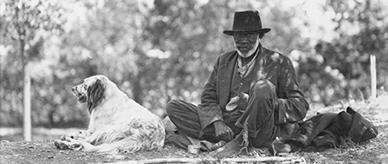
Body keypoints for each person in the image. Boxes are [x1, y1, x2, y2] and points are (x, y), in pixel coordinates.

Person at [165, 10, 309, 153]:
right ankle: (230, 140)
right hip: (225, 128)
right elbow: (208, 97)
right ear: (233, 37)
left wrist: (264, 102)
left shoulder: (279, 62)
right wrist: (217, 122)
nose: (243, 41)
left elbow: (300, 106)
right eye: (239, 36)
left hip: (258, 131)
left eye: (249, 35)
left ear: (260, 35)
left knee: (263, 87)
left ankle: (241, 142)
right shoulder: (224, 61)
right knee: (174, 107)